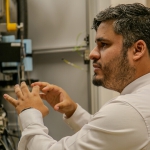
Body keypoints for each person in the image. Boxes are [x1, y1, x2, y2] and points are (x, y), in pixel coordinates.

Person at [3, 3, 150, 150]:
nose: (92, 54)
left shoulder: (130, 110)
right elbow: (109, 136)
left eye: (103, 44)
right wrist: (73, 111)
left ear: (137, 49)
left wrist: (29, 113)